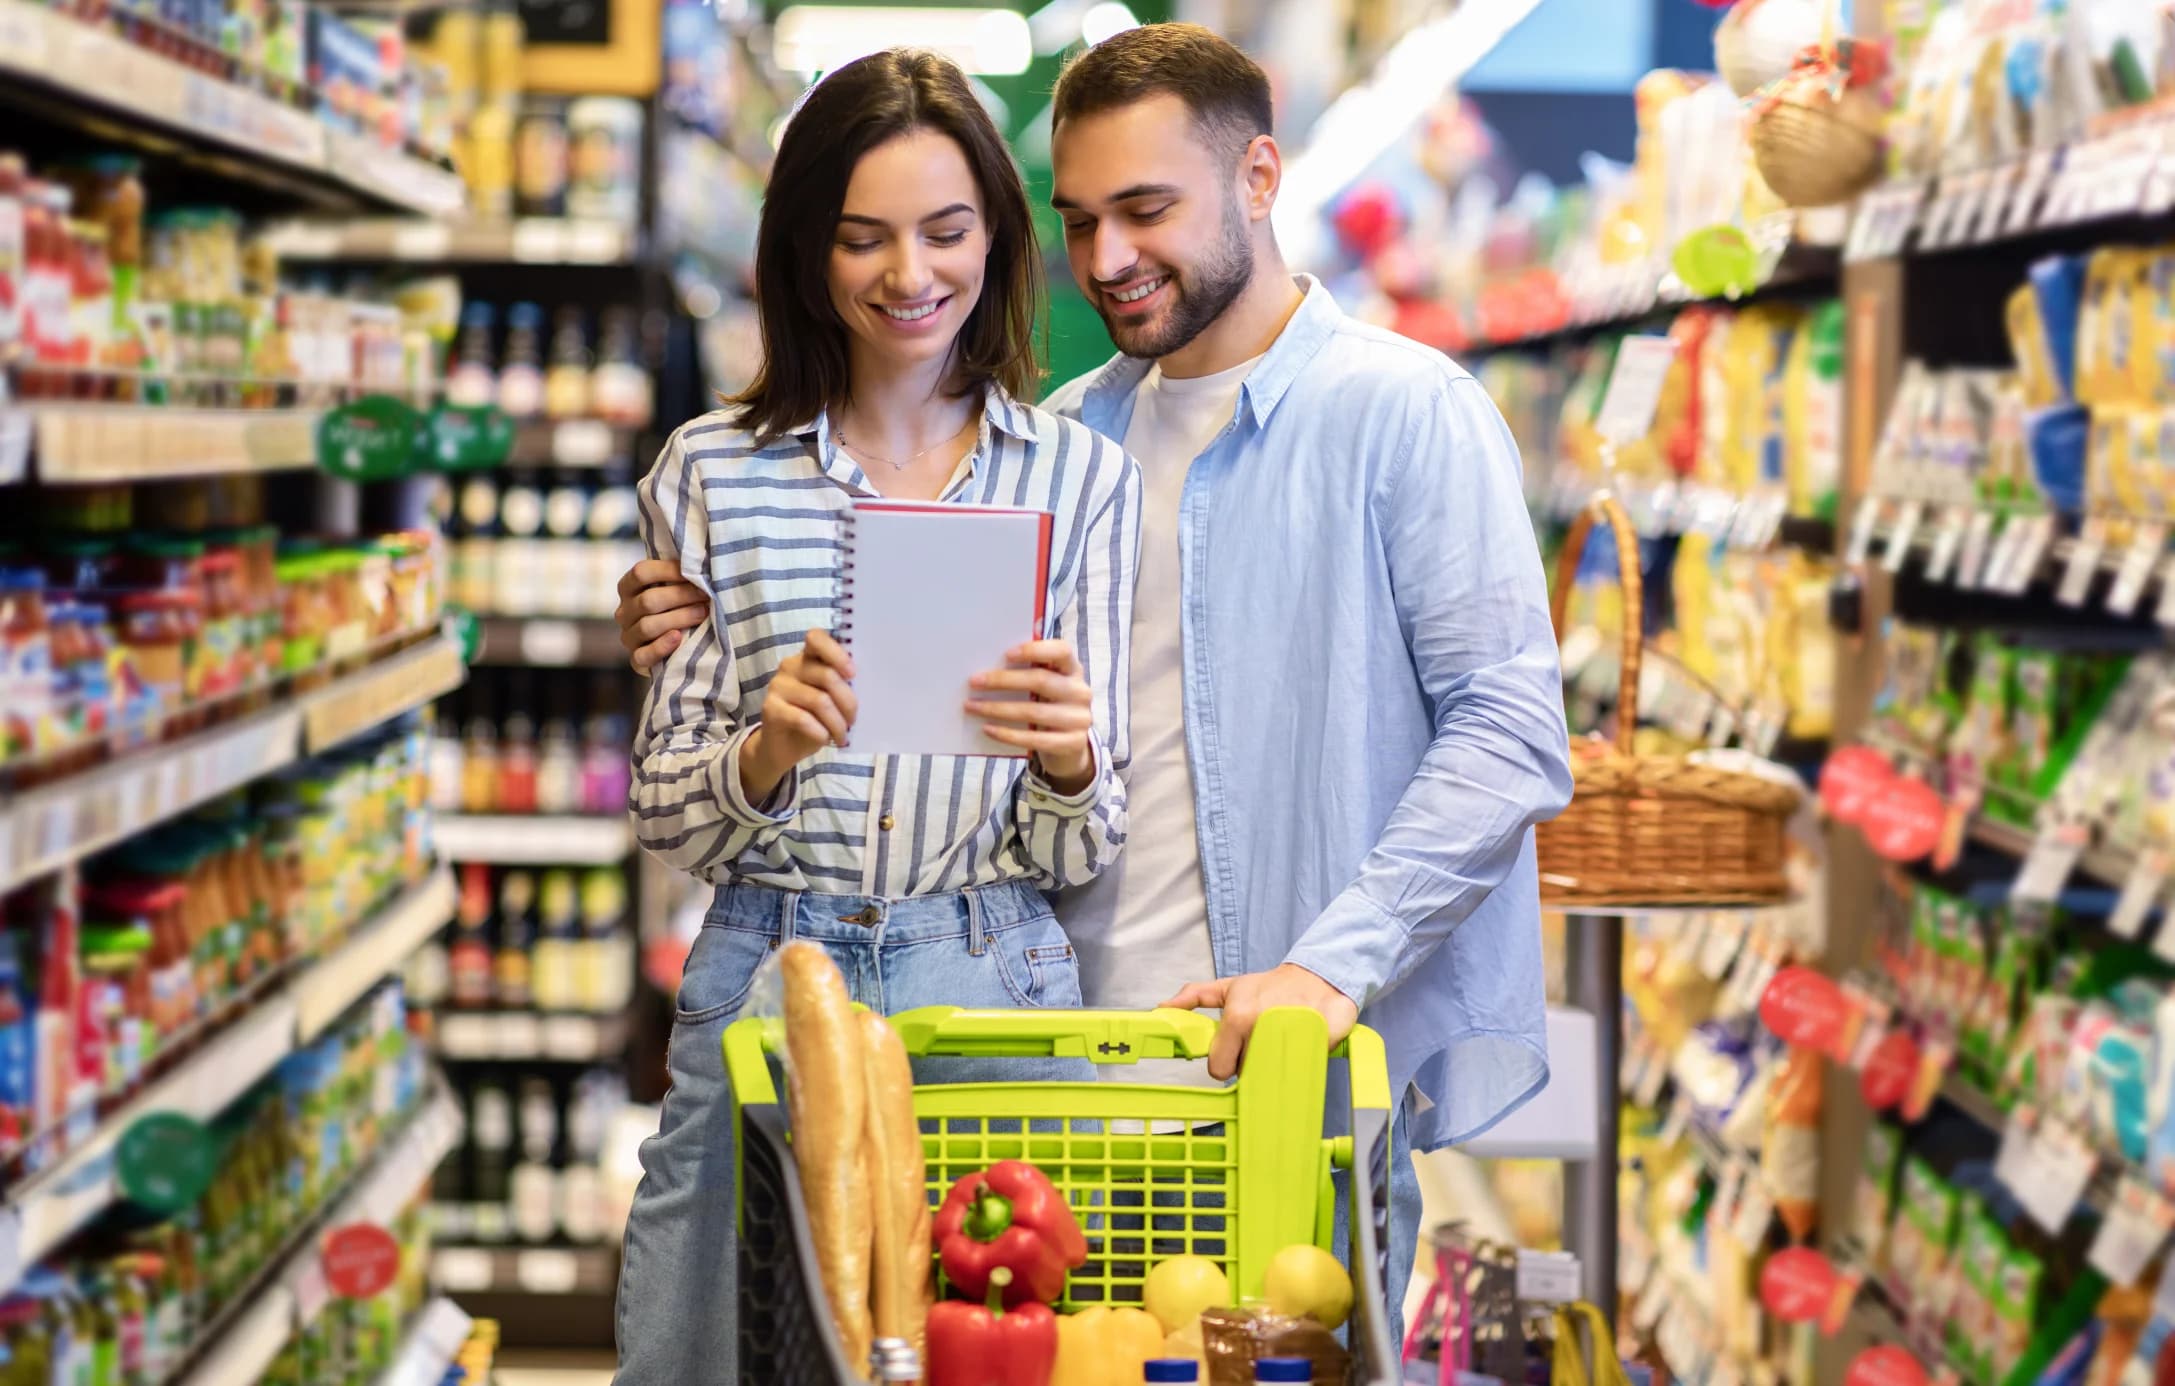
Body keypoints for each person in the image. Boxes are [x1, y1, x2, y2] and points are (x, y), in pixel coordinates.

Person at [615, 22, 1570, 1333]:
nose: (1109, 258)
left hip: (1268, 1069)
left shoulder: (1402, 413)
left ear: (1258, 177)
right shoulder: (1062, 441)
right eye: (1079, 218)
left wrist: (1328, 968)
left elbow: (1513, 732)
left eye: (1146, 209)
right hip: (1048, 1062)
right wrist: (702, 627)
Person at [612, 48, 1139, 1384]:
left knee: (1002, 1354)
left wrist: (1070, 757)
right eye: (864, 238)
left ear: (998, 240)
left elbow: (1083, 846)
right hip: (766, 969)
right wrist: (767, 749)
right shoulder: (712, 476)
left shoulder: (1080, 480)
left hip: (996, 974)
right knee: (701, 1353)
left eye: (946, 231)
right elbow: (667, 812)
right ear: (805, 251)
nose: (911, 276)